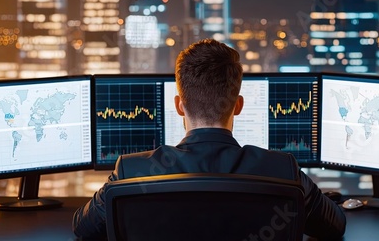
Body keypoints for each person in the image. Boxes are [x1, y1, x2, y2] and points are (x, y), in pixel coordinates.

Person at [72, 38, 346, 239]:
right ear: (238, 105)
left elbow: (82, 228)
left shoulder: (132, 172)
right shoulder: (282, 170)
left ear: (179, 105)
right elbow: (335, 226)